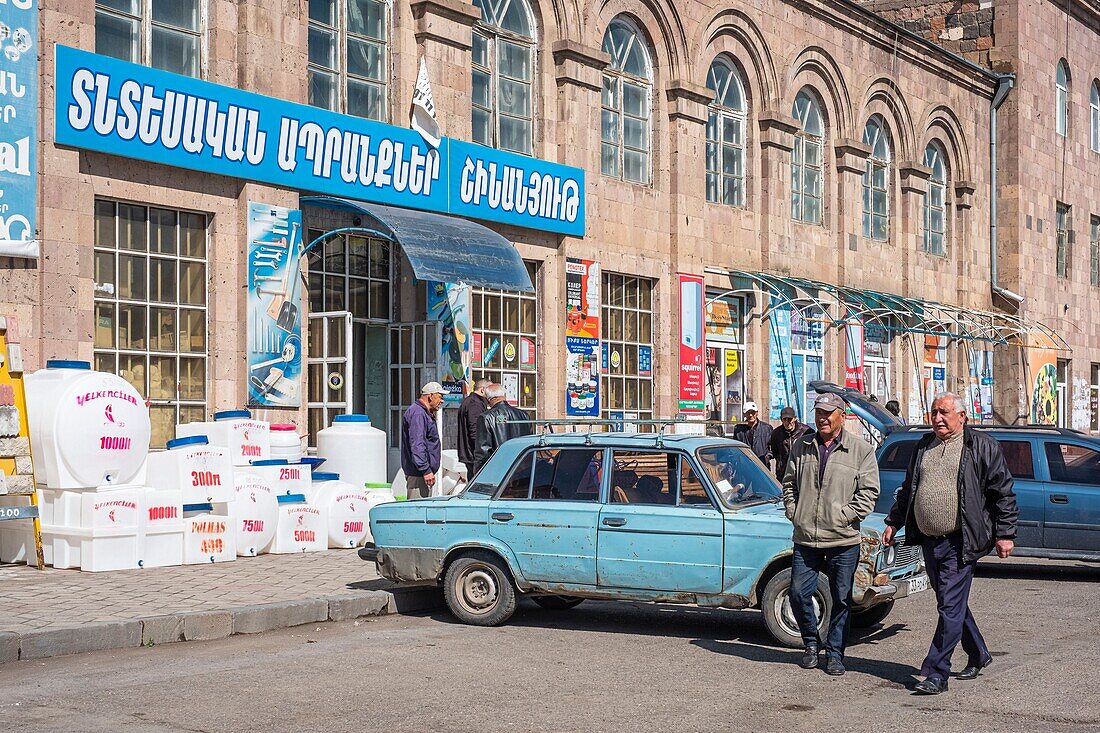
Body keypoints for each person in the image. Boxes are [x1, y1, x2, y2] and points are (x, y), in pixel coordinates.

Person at [883, 392, 1018, 695]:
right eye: (933, 412)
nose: (938, 418)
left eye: (944, 412)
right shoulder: (924, 446)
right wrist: (893, 522)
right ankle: (978, 652)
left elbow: (1003, 492)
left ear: (962, 416)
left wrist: (1005, 533)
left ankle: (936, 672)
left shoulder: (981, 446)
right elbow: (909, 489)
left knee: (949, 608)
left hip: (961, 540)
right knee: (950, 605)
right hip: (929, 541)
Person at [781, 393, 880, 676]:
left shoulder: (861, 450)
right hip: (806, 537)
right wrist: (794, 511)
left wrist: (844, 516)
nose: (822, 418)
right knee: (799, 593)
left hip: (842, 539)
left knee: (841, 598)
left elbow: (869, 492)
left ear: (842, 415)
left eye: (827, 413)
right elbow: (788, 483)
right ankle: (811, 644)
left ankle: (835, 654)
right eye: (818, 413)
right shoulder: (802, 445)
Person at [400, 381, 446, 499]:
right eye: (440, 397)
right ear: (430, 396)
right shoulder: (418, 413)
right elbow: (417, 444)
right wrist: (425, 470)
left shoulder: (424, 413)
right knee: (417, 511)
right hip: (418, 474)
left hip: (422, 473)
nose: (442, 401)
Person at [473, 383, 533, 472]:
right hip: (522, 470)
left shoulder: (486, 417)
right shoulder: (524, 415)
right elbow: (530, 443)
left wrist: (478, 474)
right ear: (504, 395)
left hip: (499, 472)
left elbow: (483, 452)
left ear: (488, 399)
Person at [457, 378, 491, 478]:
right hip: (474, 456)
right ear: (482, 390)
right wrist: (482, 453)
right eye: (490, 390)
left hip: (471, 455)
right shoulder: (475, 404)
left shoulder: (470, 401)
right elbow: (475, 431)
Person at [769, 406, 814, 480]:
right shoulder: (776, 433)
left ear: (795, 418)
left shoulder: (806, 432)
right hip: (783, 472)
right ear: (781, 420)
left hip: (801, 471)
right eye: (784, 419)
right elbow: (775, 451)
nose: (787, 422)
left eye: (790, 419)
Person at [732, 401, 773, 466]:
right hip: (744, 466)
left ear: (757, 413)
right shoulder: (738, 429)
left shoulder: (767, 428)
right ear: (744, 414)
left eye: (753, 412)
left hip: (762, 466)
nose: (750, 415)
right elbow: (735, 449)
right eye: (748, 413)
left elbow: (773, 448)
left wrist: (767, 457)